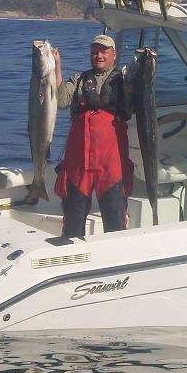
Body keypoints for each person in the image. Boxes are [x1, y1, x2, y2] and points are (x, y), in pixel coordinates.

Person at [51, 33, 133, 238]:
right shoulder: (79, 79)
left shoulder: (124, 81)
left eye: (104, 51)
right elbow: (60, 101)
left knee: (115, 219)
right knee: (73, 218)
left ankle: (116, 258)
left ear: (114, 55)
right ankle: (71, 254)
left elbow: (137, 103)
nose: (99, 56)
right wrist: (57, 65)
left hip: (111, 162)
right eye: (95, 52)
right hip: (79, 162)